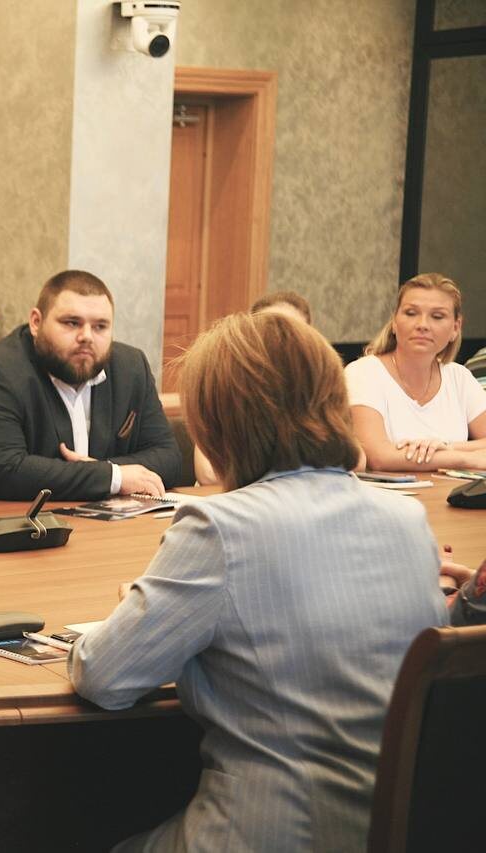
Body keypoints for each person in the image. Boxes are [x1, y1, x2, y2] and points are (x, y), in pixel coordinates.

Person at [68, 311, 447, 851]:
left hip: (271, 832)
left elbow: (103, 677)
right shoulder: (407, 519)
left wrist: (140, 611)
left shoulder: (219, 527)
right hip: (400, 830)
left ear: (217, 422)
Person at [0, 269, 181, 501]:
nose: (87, 336)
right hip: (7, 519)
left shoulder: (130, 367)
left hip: (104, 519)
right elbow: (7, 471)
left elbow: (169, 458)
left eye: (100, 326)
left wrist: (101, 471)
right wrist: (112, 476)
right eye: (72, 323)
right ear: (36, 322)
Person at [346, 273, 486, 471]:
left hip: (452, 490)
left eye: (437, 316)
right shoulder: (363, 373)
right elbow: (378, 456)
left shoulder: (459, 377)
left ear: (455, 328)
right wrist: (465, 459)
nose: (422, 325)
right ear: (394, 322)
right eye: (411, 313)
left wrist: (445, 447)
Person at [194, 291, 313, 485]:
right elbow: (208, 473)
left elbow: (352, 459)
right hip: (228, 497)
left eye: (291, 332)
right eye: (269, 330)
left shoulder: (316, 390)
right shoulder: (225, 383)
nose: (279, 341)